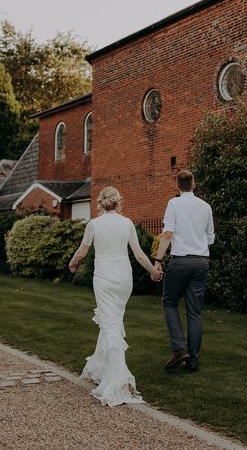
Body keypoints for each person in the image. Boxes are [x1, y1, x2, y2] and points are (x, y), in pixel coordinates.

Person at [68, 186, 162, 407]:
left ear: (100, 202)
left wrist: (73, 262)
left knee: (110, 324)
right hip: (124, 278)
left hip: (103, 277)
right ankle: (100, 368)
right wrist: (153, 271)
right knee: (113, 321)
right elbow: (138, 254)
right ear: (118, 201)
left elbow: (82, 251)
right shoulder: (127, 223)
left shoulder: (94, 224)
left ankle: (118, 381)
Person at [153, 169, 214, 374]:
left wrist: (158, 259)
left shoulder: (174, 204)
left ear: (177, 186)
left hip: (180, 261)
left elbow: (168, 233)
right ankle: (193, 361)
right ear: (194, 184)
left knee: (169, 301)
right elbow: (210, 238)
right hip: (201, 262)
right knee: (195, 312)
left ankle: (179, 349)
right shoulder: (205, 207)